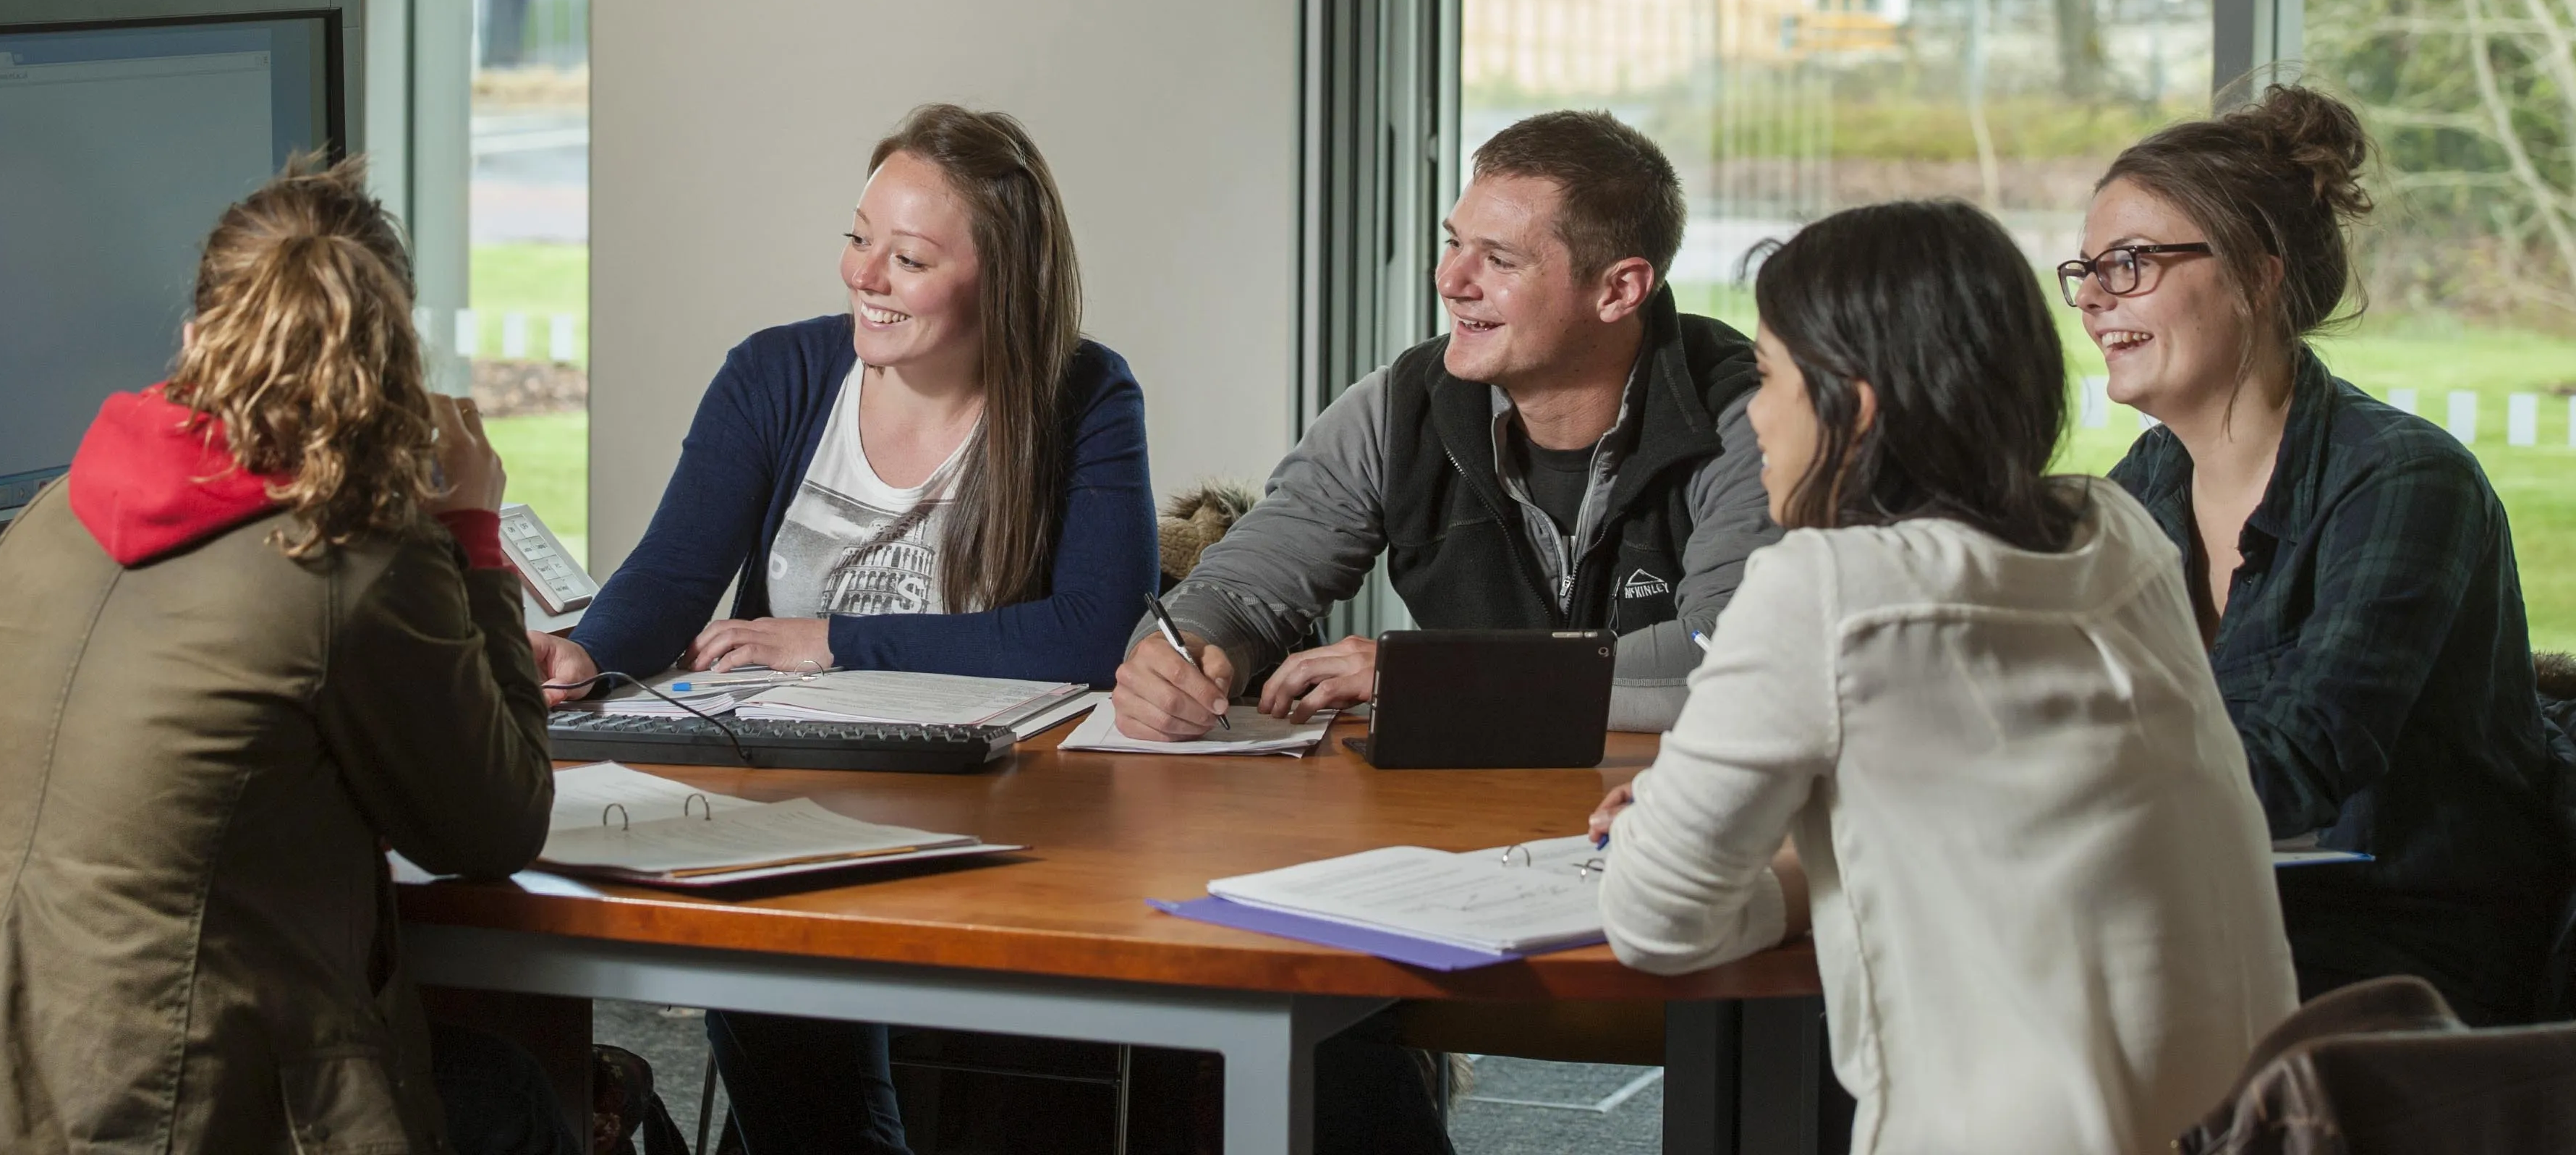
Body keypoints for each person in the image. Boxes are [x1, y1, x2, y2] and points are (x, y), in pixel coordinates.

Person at [0, 158, 574, 1155]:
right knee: (512, 1100)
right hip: (163, 1116)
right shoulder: (359, 563)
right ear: (391, 379)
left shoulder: (41, 522)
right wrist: (472, 534)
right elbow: (501, 822)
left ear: (194, 338)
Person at [1593, 200, 2298, 1155]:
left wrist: (1669, 832)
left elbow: (1654, 921)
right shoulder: (2118, 534)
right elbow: (1988, 844)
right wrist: (1790, 867)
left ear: (1856, 401)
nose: (1752, 418)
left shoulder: (1824, 590)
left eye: (1769, 378)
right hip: (2245, 1126)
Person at [535, 103, 1155, 1155]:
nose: (864, 275)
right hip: (791, 786)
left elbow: (1092, 634)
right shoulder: (776, 374)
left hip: (1005, 806)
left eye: (907, 257)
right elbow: (675, 574)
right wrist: (587, 649)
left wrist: (832, 638)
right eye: (858, 237)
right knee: (806, 1076)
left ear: (1001, 279)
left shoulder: (1083, 393)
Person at [2080, 85, 2575, 1023]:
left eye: (2133, 263)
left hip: (2410, 944)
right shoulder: (2139, 489)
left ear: (2259, 276)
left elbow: (2305, 756)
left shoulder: (2405, 483)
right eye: (2088, 269)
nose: (2096, 298)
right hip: (2226, 910)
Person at [1112, 109, 1773, 743]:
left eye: (1500, 260)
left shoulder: (1755, 419)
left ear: (1618, 291)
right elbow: (1239, 591)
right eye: (1454, 242)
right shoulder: (1397, 408)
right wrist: (1179, 653)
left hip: (1664, 820)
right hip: (1457, 820)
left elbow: (1733, 656)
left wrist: (1437, 678)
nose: (1450, 280)